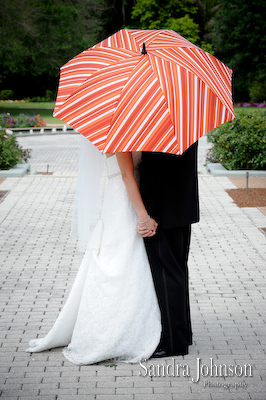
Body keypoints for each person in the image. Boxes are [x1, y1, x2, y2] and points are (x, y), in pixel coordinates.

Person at [26, 136, 161, 365]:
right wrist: (143, 216)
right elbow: (127, 175)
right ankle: (112, 332)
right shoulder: (120, 133)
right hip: (124, 202)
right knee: (121, 260)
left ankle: (128, 322)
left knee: (126, 260)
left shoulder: (118, 129)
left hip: (123, 197)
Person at [138, 142, 199, 357]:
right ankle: (182, 335)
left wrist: (148, 215)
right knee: (177, 273)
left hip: (162, 213)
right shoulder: (186, 120)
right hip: (181, 208)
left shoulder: (158, 126)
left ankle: (174, 344)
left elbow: (155, 171)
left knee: (168, 277)